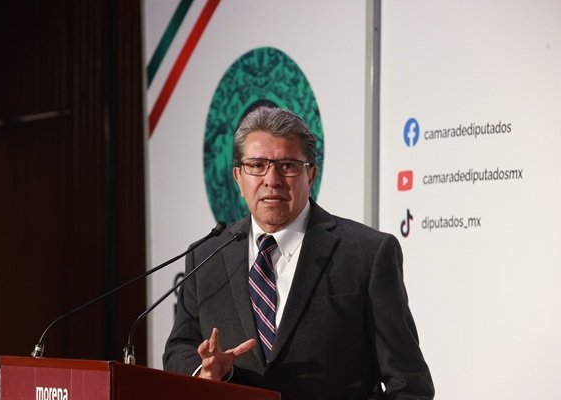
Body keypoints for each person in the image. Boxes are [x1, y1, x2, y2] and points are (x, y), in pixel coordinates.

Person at [163, 106, 434, 400]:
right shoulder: (205, 257)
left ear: (311, 175)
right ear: (238, 177)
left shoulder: (366, 253)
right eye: (257, 165)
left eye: (288, 166)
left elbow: (408, 384)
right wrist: (204, 372)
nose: (272, 179)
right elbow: (179, 347)